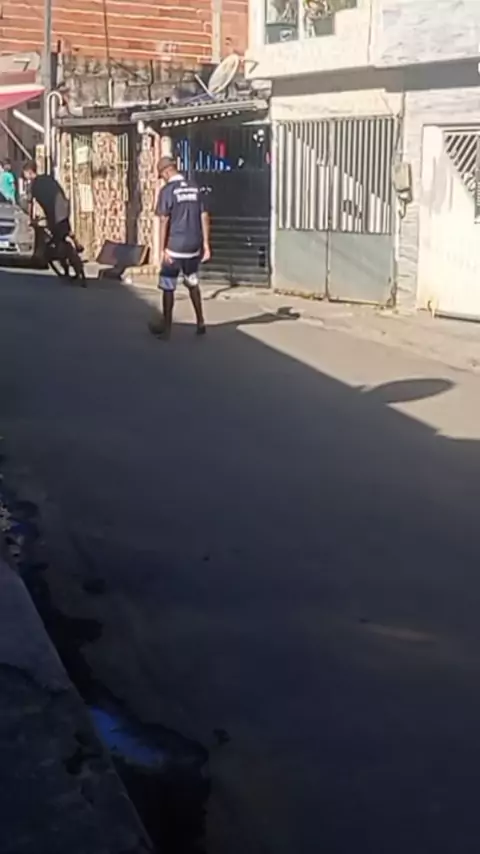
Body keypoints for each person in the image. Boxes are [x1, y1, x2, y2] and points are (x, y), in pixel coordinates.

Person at [150, 155, 211, 339]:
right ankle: (200, 321)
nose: (163, 179)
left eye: (162, 175)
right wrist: (206, 244)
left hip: (175, 246)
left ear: (166, 172)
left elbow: (164, 219)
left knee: (168, 286)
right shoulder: (194, 187)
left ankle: (167, 328)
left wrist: (162, 249)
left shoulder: (167, 191)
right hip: (193, 246)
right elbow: (204, 215)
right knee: (192, 281)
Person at [22, 160, 83, 253]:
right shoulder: (48, 178)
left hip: (54, 210)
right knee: (65, 228)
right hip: (62, 204)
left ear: (29, 172)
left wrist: (31, 219)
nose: (24, 176)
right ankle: (75, 243)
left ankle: (64, 252)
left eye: (25, 174)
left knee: (56, 232)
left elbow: (30, 203)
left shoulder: (33, 185)